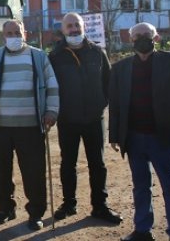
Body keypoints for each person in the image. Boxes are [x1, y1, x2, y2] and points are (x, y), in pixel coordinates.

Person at [109, 22, 170, 241]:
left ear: (155, 37)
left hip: (163, 136)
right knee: (140, 186)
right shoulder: (121, 68)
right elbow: (116, 103)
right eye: (137, 36)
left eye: (146, 34)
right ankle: (142, 230)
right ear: (131, 40)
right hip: (134, 137)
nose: (142, 39)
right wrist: (115, 135)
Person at [0, 19, 59, 231]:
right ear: (3, 36)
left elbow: (51, 85)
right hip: (0, 127)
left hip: (31, 126)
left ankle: (36, 213)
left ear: (25, 33)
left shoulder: (39, 56)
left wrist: (51, 111)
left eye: (17, 32)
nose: (14, 36)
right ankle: (5, 208)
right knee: (2, 170)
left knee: (34, 172)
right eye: (9, 33)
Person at [48, 13, 122, 224]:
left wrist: (100, 104)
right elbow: (50, 88)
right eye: (69, 26)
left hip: (93, 119)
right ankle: (69, 204)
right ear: (62, 30)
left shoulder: (97, 52)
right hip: (68, 120)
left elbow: (109, 83)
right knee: (68, 164)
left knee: (97, 164)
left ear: (83, 27)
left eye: (77, 25)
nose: (74, 29)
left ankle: (100, 206)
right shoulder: (55, 57)